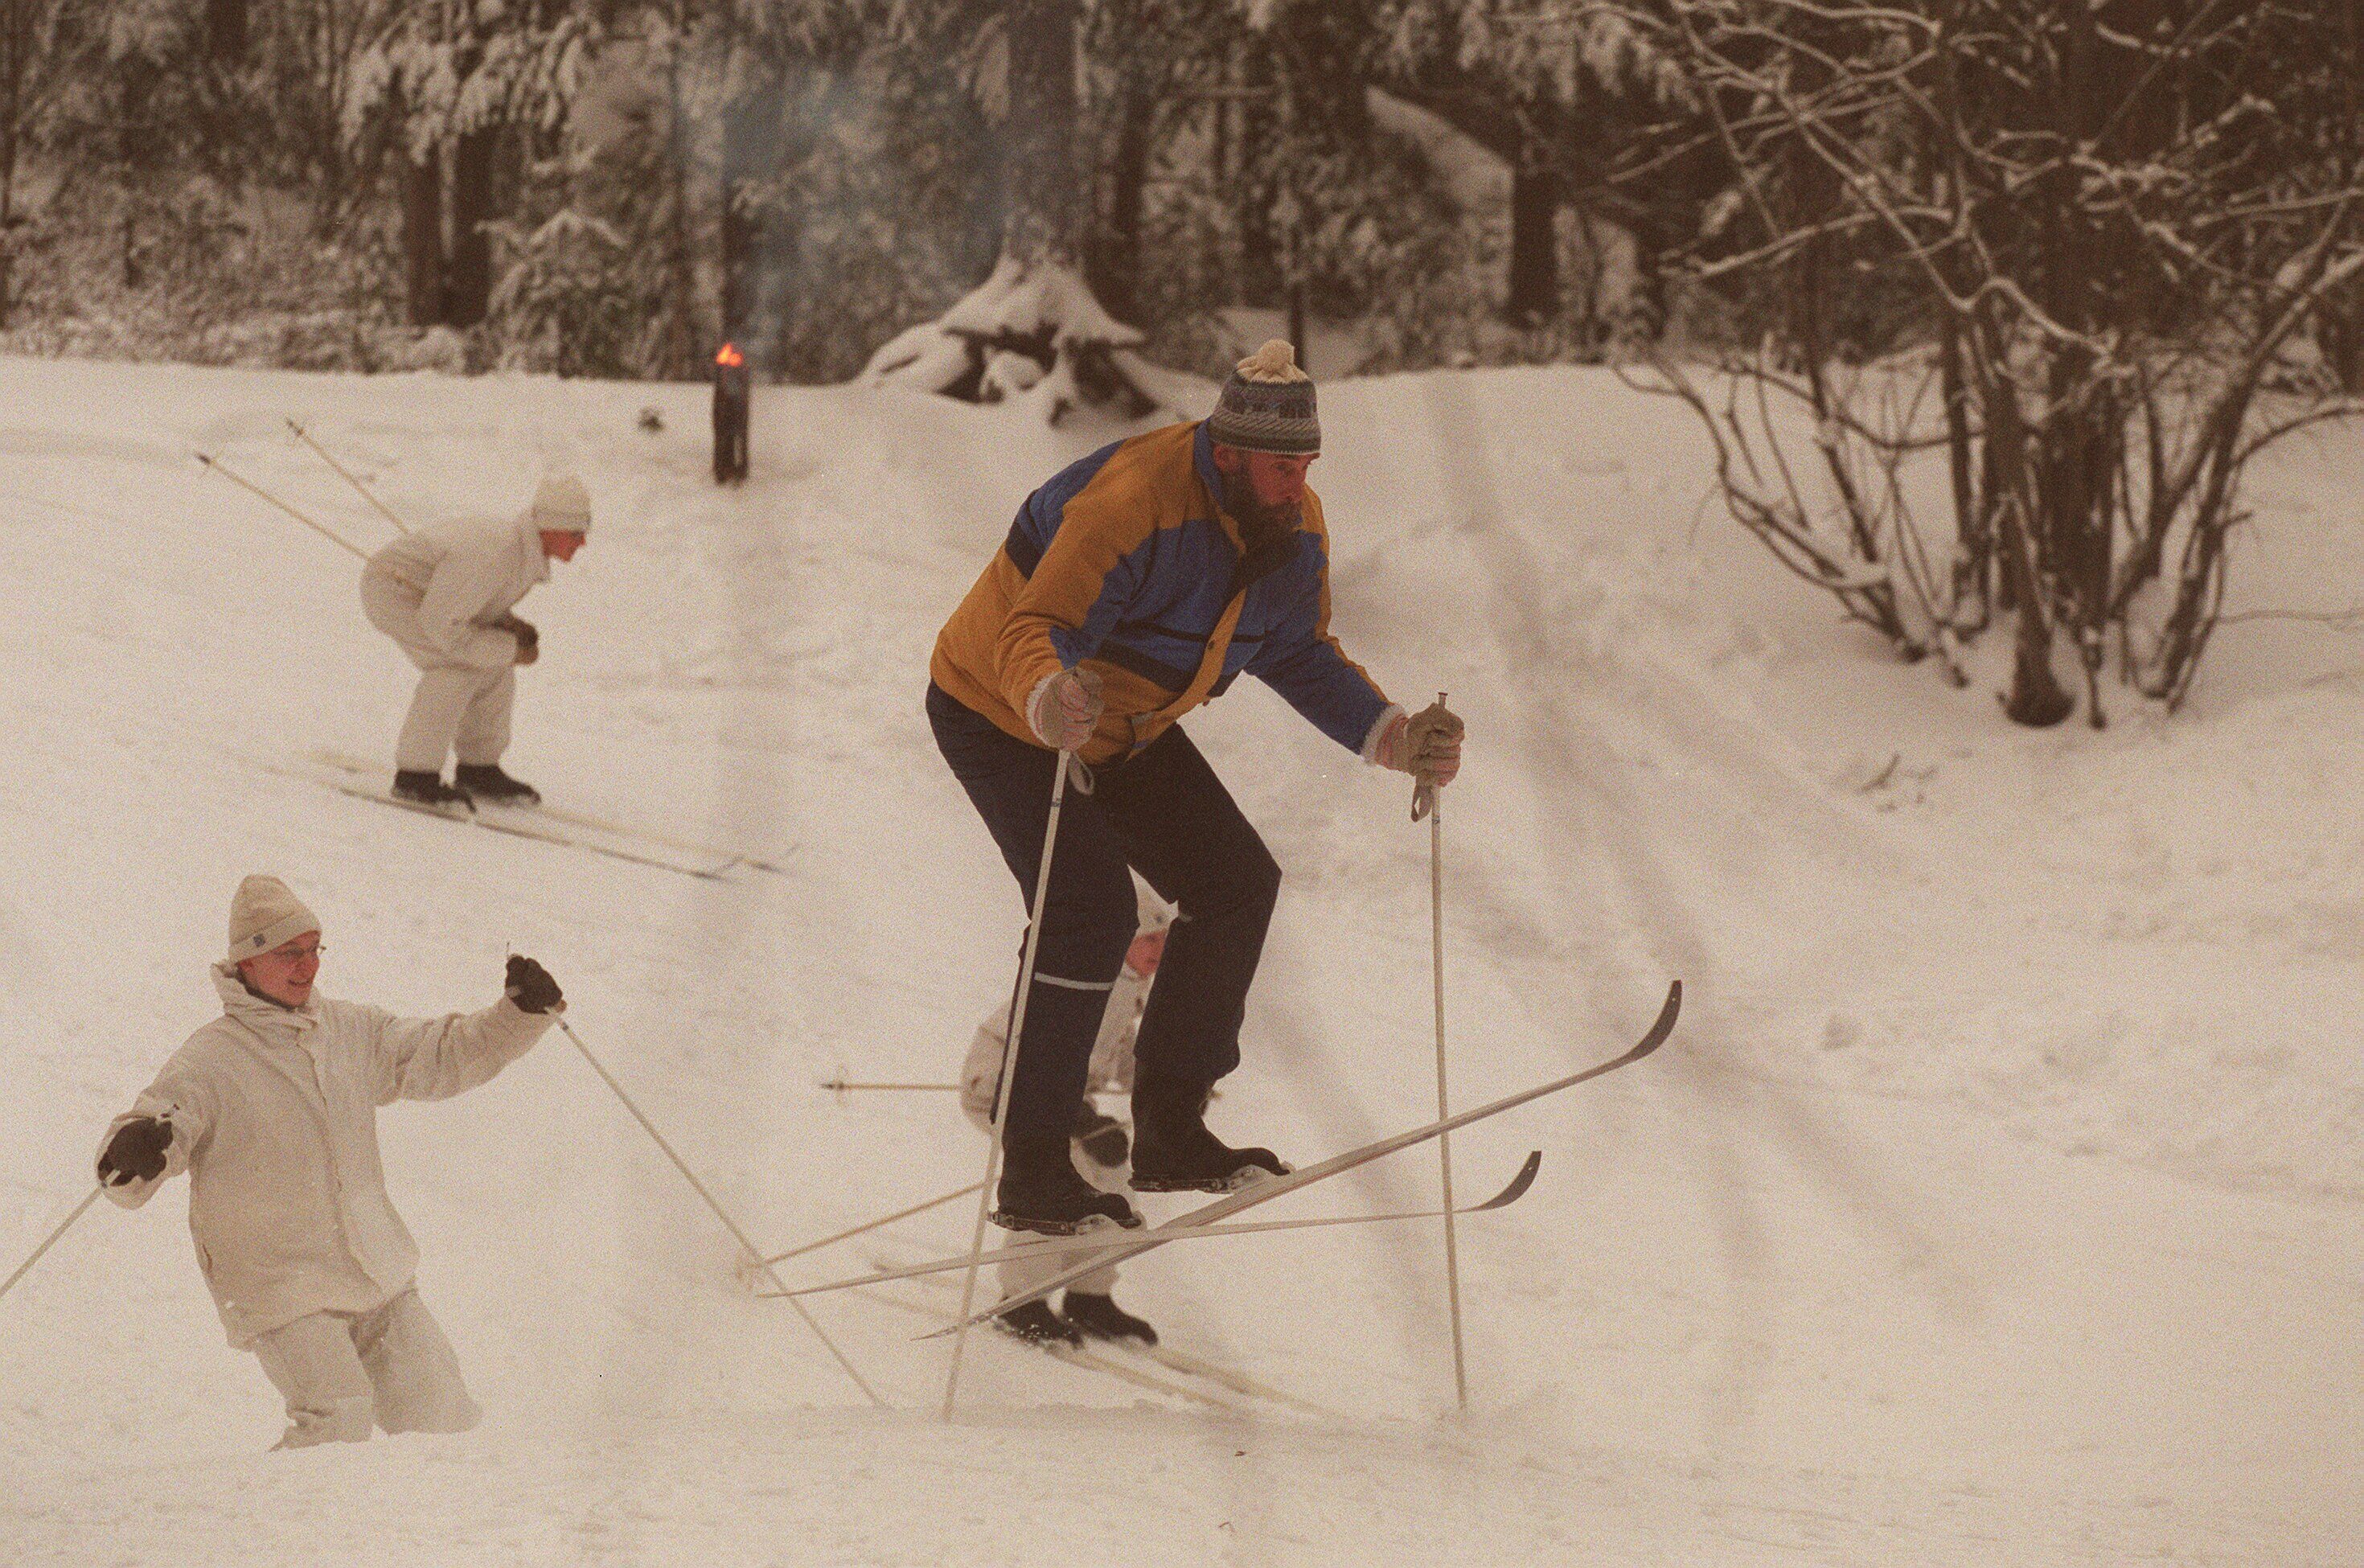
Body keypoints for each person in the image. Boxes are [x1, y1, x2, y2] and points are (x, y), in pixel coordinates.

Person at [928, 339, 1464, 1237]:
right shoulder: (1133, 506)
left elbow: (1296, 650)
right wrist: (1047, 694)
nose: (1298, 484)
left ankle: (1172, 1130)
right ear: (1226, 455)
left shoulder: (1293, 532)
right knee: (1087, 911)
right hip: (1002, 709)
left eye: (1307, 465)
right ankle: (1033, 1170)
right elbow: (1040, 623)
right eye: (1281, 466)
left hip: (1126, 726)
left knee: (1237, 883)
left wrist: (1395, 737)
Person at [93, 875, 565, 1451]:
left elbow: (442, 1053)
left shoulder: (351, 1032)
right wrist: (136, 1150)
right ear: (247, 961)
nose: (308, 965)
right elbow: (151, 1135)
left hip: (375, 1272)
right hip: (282, 1286)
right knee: (339, 1417)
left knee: (443, 1414)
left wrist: (517, 1015)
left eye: (315, 948)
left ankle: (424, 1539)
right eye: (289, 952)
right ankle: (269, 1529)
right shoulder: (210, 1059)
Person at [961, 889, 1171, 1345]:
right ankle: (1021, 1301)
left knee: (1111, 1178)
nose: (1159, 950)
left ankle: (1089, 1294)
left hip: (1061, 1096)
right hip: (1005, 1087)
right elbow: (1038, 1056)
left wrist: (1168, 1081)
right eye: (1149, 939)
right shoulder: (1092, 979)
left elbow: (1119, 1050)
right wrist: (1082, 1120)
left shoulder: (1128, 983)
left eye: (1163, 939)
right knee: (1054, 1178)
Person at [359, 471, 592, 809]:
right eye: (576, 533)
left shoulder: (521, 552)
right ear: (551, 527)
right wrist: (510, 648)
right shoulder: (498, 553)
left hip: (434, 603)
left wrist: (505, 623)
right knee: (458, 667)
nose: (582, 543)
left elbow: (473, 601)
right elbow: (441, 625)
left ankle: (478, 768)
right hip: (394, 592)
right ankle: (416, 775)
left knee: (493, 665)